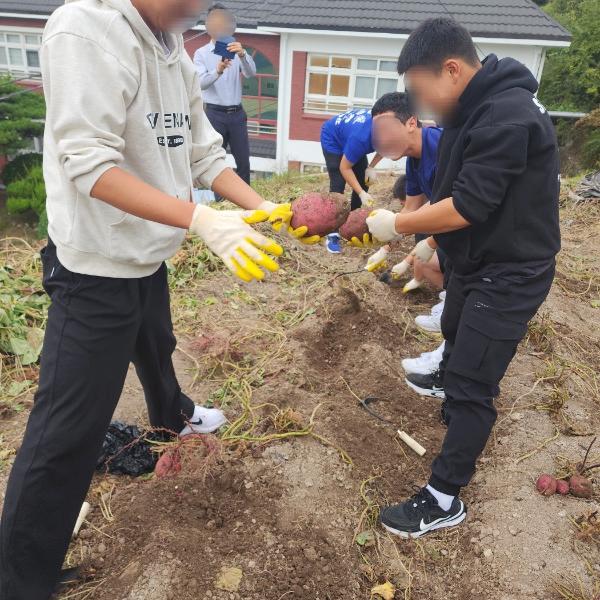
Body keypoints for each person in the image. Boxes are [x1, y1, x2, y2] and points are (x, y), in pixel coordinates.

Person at [0, 1, 306, 597]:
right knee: (68, 429)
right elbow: (89, 165)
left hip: (145, 252)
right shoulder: (85, 29)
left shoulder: (173, 46)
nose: (197, 13)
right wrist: (200, 219)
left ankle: (173, 416)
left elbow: (203, 152)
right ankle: (18, 581)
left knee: (157, 344)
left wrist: (254, 206)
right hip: (94, 266)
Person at [367, 17, 560, 538]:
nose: (419, 104)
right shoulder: (466, 110)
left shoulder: (507, 116)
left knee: (474, 388)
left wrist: (401, 225)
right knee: (454, 323)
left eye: (419, 90)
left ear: (451, 70)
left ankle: (443, 496)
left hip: (512, 271)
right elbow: (449, 184)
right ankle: (447, 372)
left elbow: (471, 203)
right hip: (478, 260)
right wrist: (430, 240)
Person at [365, 92, 445, 296]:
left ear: (411, 123)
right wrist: (385, 246)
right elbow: (411, 209)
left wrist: (430, 242)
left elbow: (459, 204)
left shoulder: (442, 146)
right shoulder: (412, 161)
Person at [194, 3, 255, 185]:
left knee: (243, 160)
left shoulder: (235, 48)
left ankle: (247, 202)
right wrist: (217, 71)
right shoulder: (201, 53)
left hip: (237, 113)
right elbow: (200, 84)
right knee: (216, 162)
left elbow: (251, 73)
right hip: (214, 114)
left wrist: (243, 54)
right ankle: (220, 202)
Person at [320, 107, 383, 253]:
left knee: (363, 179)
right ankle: (333, 233)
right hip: (333, 137)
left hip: (350, 135)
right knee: (338, 184)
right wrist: (361, 193)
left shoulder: (389, 128)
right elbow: (345, 168)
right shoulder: (361, 138)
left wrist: (371, 167)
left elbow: (385, 146)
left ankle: (352, 224)